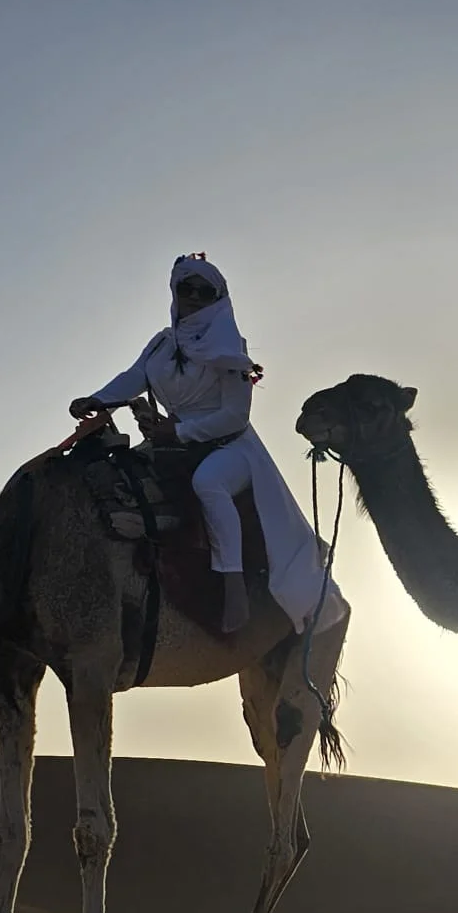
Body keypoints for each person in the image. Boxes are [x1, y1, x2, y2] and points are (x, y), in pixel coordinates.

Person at [71, 255, 343, 637]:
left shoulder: (229, 347)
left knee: (208, 483)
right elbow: (133, 377)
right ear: (175, 292)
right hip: (172, 444)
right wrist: (97, 400)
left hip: (229, 448)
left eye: (205, 291)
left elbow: (236, 416)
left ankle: (232, 586)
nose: (195, 297)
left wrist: (178, 433)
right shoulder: (161, 345)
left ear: (218, 299)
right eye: (187, 288)